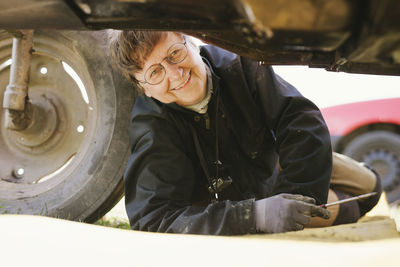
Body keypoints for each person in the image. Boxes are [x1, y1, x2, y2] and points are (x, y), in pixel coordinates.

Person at [108, 31, 382, 235]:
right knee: (350, 208)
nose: (176, 74)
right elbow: (153, 218)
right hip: (235, 209)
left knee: (371, 188)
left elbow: (299, 118)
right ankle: (333, 205)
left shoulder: (240, 67)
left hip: (275, 166)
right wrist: (254, 216)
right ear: (142, 87)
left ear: (190, 41)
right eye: (156, 72)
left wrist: (297, 193)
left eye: (175, 54)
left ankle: (322, 174)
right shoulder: (153, 126)